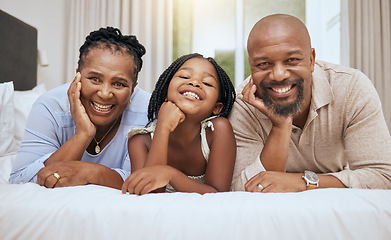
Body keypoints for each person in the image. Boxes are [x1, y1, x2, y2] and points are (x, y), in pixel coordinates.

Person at [229, 14, 391, 192]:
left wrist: (301, 182)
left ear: (311, 60)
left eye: (291, 60)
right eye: (264, 64)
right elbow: (242, 188)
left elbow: (383, 177)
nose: (278, 75)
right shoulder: (243, 105)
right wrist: (281, 124)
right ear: (251, 66)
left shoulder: (351, 87)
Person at [9, 27, 150, 189]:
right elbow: (20, 180)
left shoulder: (147, 111)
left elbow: (141, 179)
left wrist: (90, 172)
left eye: (119, 83)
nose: (104, 94)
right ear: (77, 76)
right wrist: (82, 135)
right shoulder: (50, 106)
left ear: (132, 89)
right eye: (95, 79)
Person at [122, 53, 236, 195]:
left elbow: (219, 194)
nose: (194, 83)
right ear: (165, 91)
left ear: (216, 108)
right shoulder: (140, 141)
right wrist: (163, 127)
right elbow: (149, 193)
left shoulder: (217, 130)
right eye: (184, 77)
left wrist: (170, 175)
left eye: (207, 83)